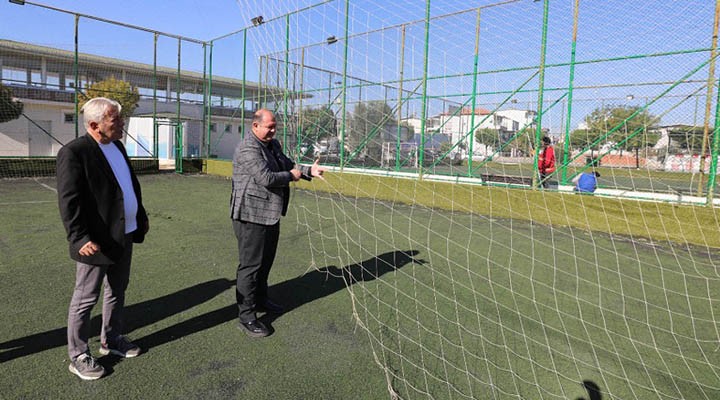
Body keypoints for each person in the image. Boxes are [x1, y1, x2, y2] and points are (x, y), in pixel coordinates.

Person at [56, 97, 150, 380]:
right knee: (85, 299)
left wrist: (141, 216)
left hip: (125, 233)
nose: (122, 124)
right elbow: (68, 201)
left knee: (117, 291)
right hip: (94, 241)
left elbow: (129, 185)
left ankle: (112, 339)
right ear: (95, 124)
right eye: (116, 120)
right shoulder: (75, 152)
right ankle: (79, 354)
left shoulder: (118, 146)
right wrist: (78, 237)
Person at [230, 108, 326, 337]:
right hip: (251, 215)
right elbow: (266, 178)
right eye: (269, 127)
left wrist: (307, 171)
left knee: (265, 262)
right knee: (250, 266)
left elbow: (288, 165)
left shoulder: (273, 145)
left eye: (275, 126)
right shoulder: (248, 148)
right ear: (255, 126)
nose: (273, 130)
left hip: (270, 213)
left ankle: (261, 300)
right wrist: (292, 176)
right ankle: (247, 316)